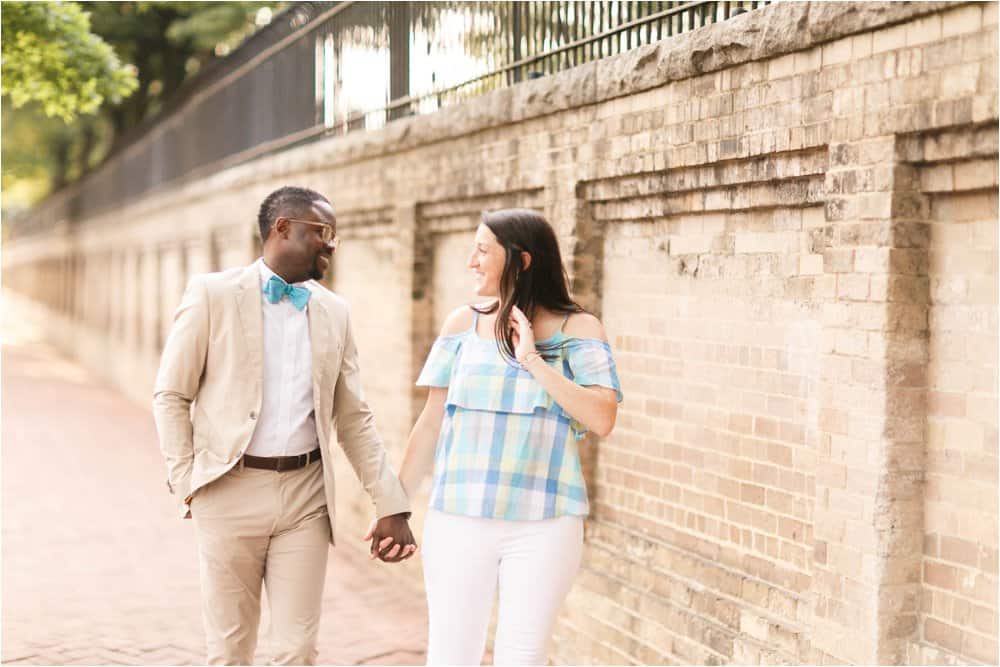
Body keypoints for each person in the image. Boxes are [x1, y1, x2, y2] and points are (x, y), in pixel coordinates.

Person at [152, 185, 417, 665]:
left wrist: (390, 502)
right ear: (283, 228)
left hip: (305, 497)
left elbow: (353, 417)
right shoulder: (212, 294)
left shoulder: (336, 312)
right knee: (230, 649)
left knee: (296, 649)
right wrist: (186, 481)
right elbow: (172, 394)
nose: (332, 244)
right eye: (323, 232)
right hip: (227, 491)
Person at [391, 208, 622, 665]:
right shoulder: (462, 325)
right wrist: (394, 504)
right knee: (451, 655)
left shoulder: (580, 330)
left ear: (521, 260)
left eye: (482, 250)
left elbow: (602, 418)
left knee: (522, 655)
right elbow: (432, 422)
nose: (471, 262)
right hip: (458, 517)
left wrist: (533, 359)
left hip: (545, 524)